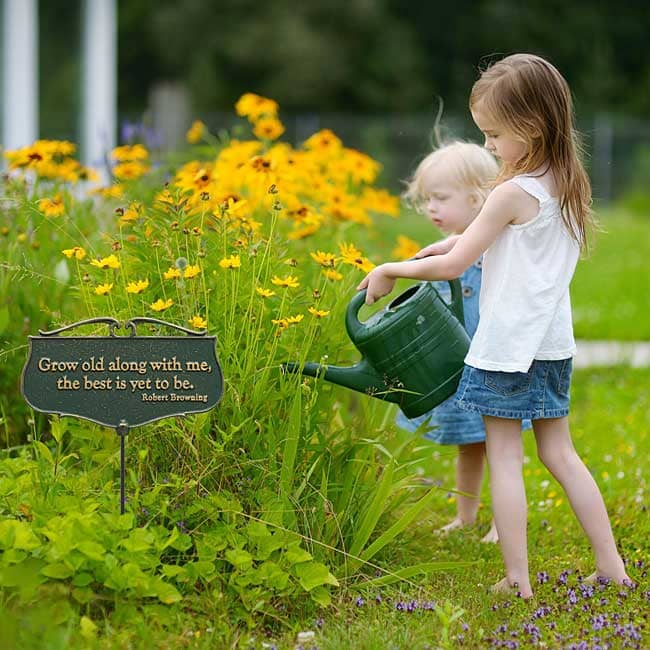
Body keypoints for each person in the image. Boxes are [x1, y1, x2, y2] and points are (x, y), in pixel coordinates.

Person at [358, 53, 631, 599]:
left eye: (493, 135)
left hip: (506, 350)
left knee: (504, 458)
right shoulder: (564, 183)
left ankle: (517, 580)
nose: (488, 147)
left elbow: (455, 266)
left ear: (529, 128)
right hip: (552, 346)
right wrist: (449, 242)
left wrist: (390, 268)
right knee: (561, 455)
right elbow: (497, 244)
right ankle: (612, 567)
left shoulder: (510, 191)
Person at [396, 141, 512, 544]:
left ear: (478, 197)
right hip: (458, 367)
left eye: (440, 198)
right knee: (469, 443)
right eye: (427, 199)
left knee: (500, 449)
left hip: (491, 363)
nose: (431, 208)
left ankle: (504, 525)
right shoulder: (448, 249)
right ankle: (466, 516)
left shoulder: (492, 248)